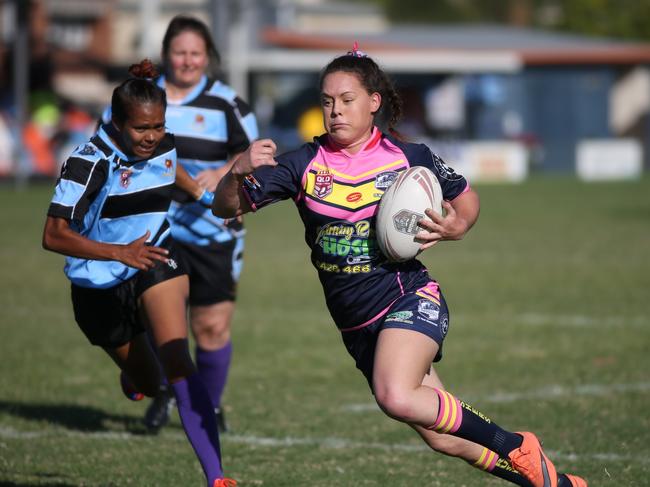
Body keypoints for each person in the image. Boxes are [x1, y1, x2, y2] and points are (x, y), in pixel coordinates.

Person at [211, 46, 587, 487]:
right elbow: (225, 206)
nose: (335, 112)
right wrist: (236, 171)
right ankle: (554, 484)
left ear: (374, 102)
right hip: (355, 322)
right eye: (327, 102)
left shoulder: (411, 156)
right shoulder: (303, 165)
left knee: (396, 395)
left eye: (347, 100)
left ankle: (515, 444)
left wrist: (457, 226)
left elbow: (465, 197)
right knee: (443, 438)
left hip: (407, 297)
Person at [43, 59, 236, 487]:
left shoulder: (163, 143)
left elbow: (180, 180)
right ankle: (135, 376)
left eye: (158, 126)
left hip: (154, 255)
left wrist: (220, 205)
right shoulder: (87, 162)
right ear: (117, 121)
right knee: (151, 383)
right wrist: (117, 252)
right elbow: (53, 235)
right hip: (96, 286)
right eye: (141, 129)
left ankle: (217, 477)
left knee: (177, 358)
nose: (151, 137)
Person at [102, 15, 258, 433]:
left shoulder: (228, 103)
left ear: (208, 57)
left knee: (211, 325)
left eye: (196, 53)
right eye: (179, 52)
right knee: (159, 323)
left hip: (212, 230)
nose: (187, 61)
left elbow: (255, 155)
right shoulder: (139, 99)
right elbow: (104, 147)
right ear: (166, 54)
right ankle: (163, 393)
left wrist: (224, 171)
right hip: (153, 229)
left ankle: (209, 406)